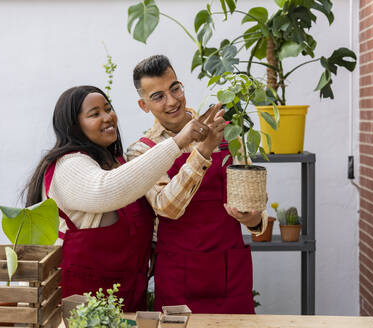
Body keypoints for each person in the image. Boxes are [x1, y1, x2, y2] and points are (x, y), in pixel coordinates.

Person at [23, 85, 220, 312]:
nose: (108, 117)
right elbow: (107, 189)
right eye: (95, 114)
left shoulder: (117, 162)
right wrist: (178, 142)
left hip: (126, 301)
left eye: (108, 109)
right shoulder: (68, 165)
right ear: (74, 126)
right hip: (79, 310)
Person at [127, 55, 269, 314]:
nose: (172, 101)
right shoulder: (142, 152)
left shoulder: (227, 132)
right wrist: (203, 150)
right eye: (158, 96)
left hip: (230, 273)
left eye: (175, 88)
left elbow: (256, 212)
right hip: (177, 280)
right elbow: (167, 207)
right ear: (143, 105)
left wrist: (253, 220)